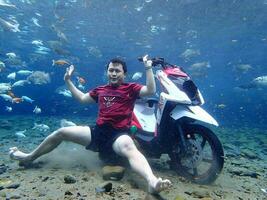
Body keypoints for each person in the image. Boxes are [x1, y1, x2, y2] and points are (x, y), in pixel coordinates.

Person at [9, 55, 171, 194]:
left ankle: (151, 182)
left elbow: (150, 90)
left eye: (117, 71)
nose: (114, 73)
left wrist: (148, 67)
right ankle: (30, 157)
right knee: (62, 132)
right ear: (107, 72)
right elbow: (81, 98)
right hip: (97, 133)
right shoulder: (100, 90)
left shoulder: (131, 88)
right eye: (111, 70)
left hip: (119, 136)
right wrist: (68, 81)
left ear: (124, 74)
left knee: (129, 147)